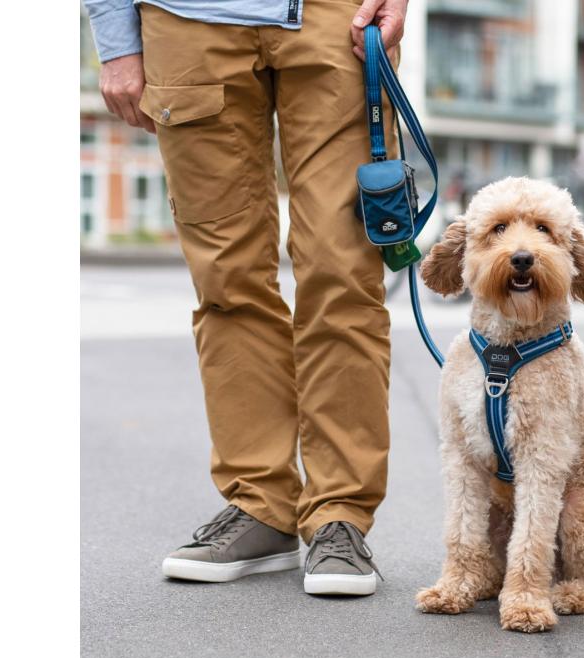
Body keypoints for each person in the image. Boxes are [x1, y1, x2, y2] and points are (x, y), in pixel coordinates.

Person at [84, 0, 409, 596]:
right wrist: (115, 35)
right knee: (225, 281)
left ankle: (340, 514)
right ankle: (260, 505)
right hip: (187, 20)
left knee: (342, 273)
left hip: (336, 17)